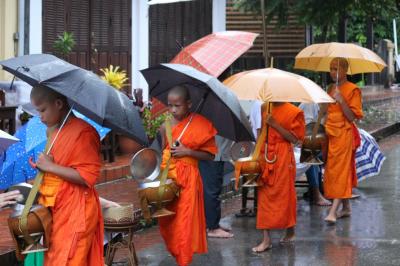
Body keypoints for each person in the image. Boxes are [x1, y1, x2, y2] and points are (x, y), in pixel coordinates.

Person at [31, 85, 104, 265]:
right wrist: (45, 167)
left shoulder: (84, 132)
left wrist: (51, 167)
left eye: (42, 110)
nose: (40, 117)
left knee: (69, 259)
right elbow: (57, 167)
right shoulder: (53, 132)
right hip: (57, 207)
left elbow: (88, 176)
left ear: (58, 104)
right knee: (55, 257)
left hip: (77, 209)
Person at [157, 85, 218, 266]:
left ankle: (184, 261)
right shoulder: (164, 126)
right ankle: (178, 257)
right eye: (170, 105)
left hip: (189, 180)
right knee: (168, 223)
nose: (173, 110)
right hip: (168, 179)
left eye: (178, 105)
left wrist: (188, 151)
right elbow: (164, 153)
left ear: (189, 104)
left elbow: (210, 155)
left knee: (184, 224)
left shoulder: (200, 124)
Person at [252, 102, 305, 252]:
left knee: (285, 194)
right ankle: (266, 239)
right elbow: (261, 133)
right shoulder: (264, 108)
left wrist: (275, 124)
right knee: (264, 196)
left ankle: (290, 229)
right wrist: (256, 156)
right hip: (265, 154)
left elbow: (296, 140)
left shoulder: (294, 112)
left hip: (283, 157)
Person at [322, 58, 363, 224]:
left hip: (344, 134)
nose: (333, 72)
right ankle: (346, 208)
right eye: (331, 69)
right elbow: (326, 112)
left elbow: (353, 116)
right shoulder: (331, 88)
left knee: (340, 171)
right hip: (331, 134)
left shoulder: (353, 90)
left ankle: (334, 210)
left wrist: (341, 100)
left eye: (336, 69)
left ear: (345, 71)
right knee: (332, 171)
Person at [199, 136, 234, 238]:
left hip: (218, 154)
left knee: (215, 189)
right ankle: (212, 228)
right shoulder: (211, 122)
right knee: (212, 191)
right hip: (212, 155)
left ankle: (213, 224)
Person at [298, 103, 331, 206]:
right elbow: (309, 130)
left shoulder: (315, 105)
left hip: (304, 142)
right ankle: (316, 194)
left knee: (321, 154)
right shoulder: (309, 104)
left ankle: (319, 189)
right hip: (301, 144)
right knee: (311, 157)